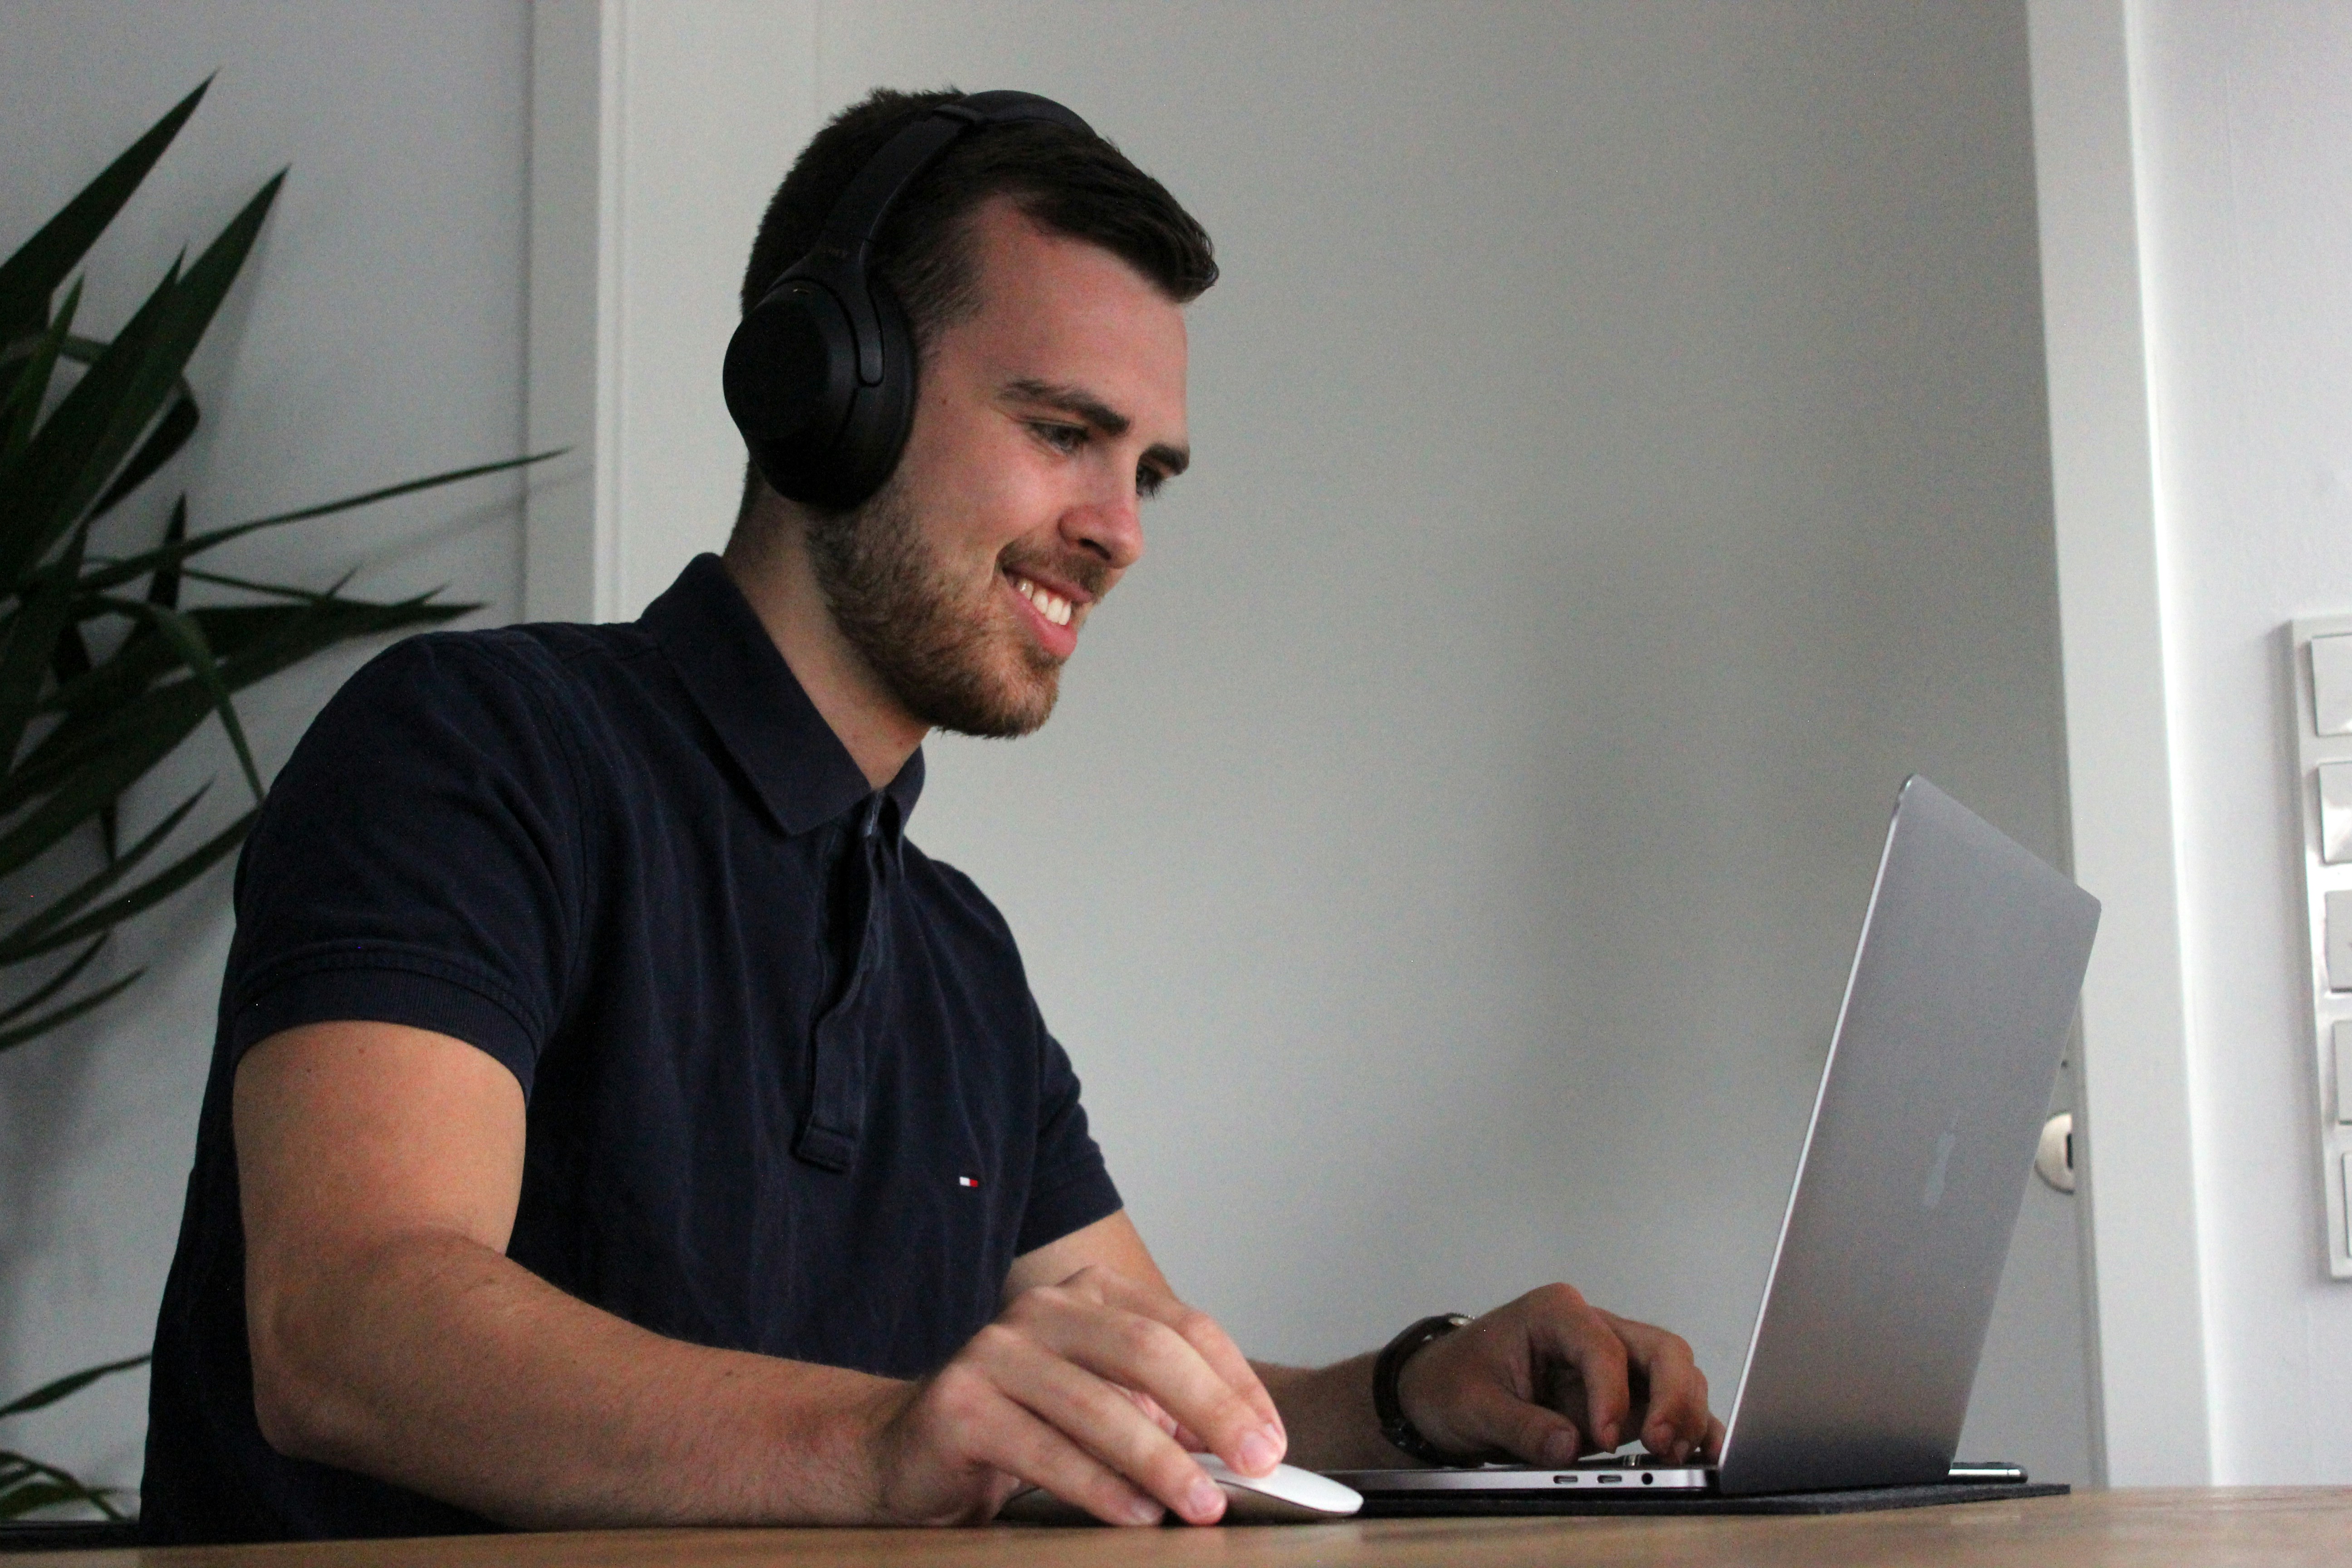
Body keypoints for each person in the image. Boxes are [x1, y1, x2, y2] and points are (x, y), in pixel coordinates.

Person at [142, 87, 1721, 1544]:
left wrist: (1411, 1392)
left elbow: (1169, 1416)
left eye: (1147, 473)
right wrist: (884, 1442)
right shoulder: (473, 752)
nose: (1116, 533)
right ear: (825, 388)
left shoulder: (957, 959)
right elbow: (347, 1326)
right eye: (1061, 433)